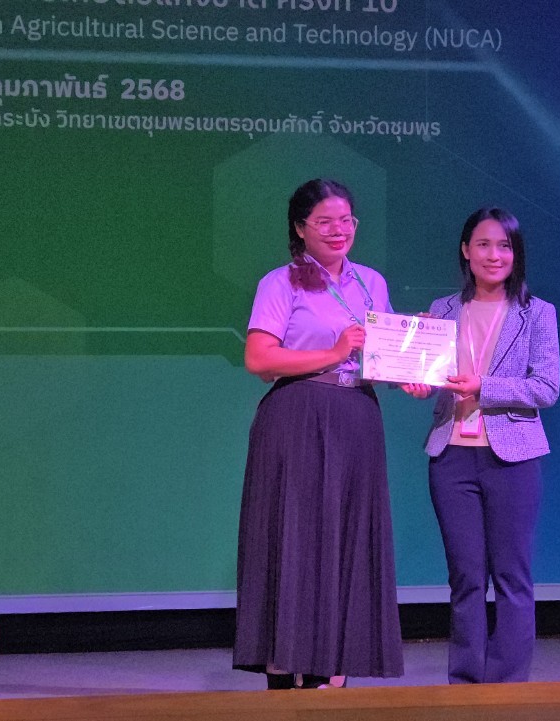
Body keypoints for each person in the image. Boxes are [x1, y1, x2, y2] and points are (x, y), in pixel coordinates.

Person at [234, 178, 404, 690]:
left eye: (346, 220)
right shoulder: (281, 283)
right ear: (300, 228)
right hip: (298, 415)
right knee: (294, 537)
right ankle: (283, 666)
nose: (338, 230)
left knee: (347, 537)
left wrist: (415, 372)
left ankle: (333, 668)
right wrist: (332, 352)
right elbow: (259, 359)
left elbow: (383, 357)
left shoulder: (371, 282)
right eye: (325, 221)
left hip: (357, 418)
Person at [402, 207, 560, 683]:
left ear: (516, 254)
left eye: (505, 246)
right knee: (466, 578)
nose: (495, 255)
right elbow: (428, 374)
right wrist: (418, 382)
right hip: (451, 456)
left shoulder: (538, 313)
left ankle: (508, 686)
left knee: (512, 577)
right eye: (484, 244)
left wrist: (483, 387)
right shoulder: (442, 309)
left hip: (512, 457)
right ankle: (467, 683)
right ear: (466, 251)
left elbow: (546, 388)